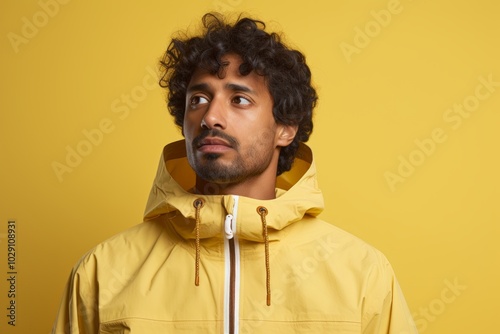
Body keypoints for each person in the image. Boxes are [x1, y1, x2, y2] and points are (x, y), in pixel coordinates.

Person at [52, 13, 418, 333]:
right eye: (198, 99)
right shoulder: (102, 271)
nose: (210, 117)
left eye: (239, 99)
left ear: (285, 128)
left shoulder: (362, 274)